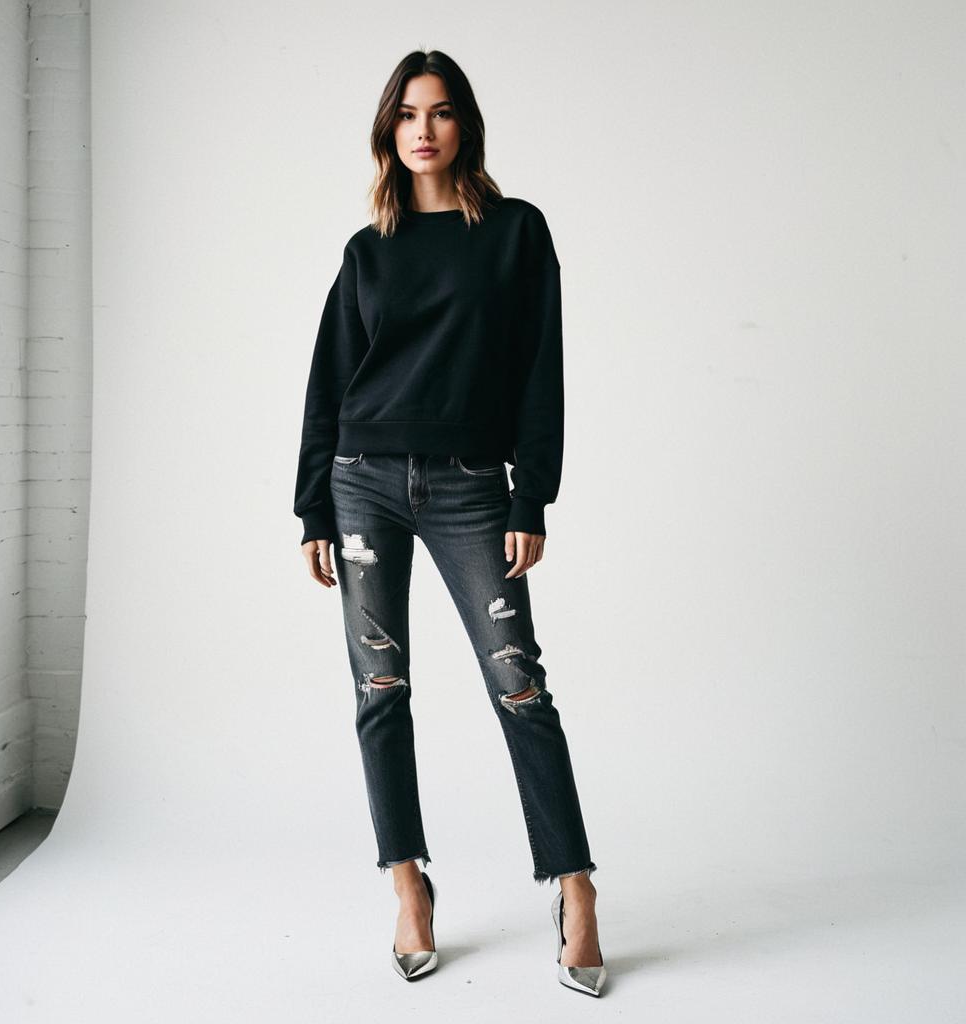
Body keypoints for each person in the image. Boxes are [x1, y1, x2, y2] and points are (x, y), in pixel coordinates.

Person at [293, 49, 605, 996]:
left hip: (473, 484)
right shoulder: (368, 250)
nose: (422, 128)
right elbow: (326, 382)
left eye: (439, 111)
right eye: (406, 114)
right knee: (380, 690)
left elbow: (541, 369)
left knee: (520, 689)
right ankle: (408, 885)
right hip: (363, 484)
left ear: (464, 125)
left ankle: (576, 887)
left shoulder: (513, 233)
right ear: (390, 131)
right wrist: (312, 501)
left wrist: (530, 495)